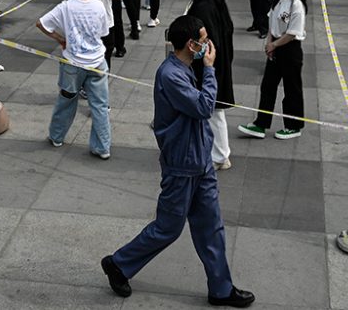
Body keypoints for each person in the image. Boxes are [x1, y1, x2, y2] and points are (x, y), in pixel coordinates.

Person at [102, 16, 254, 308]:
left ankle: (221, 289)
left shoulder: (183, 68)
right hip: (182, 166)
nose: (207, 46)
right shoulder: (171, 74)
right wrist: (209, 70)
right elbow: (203, 107)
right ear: (191, 44)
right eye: (204, 40)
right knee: (168, 228)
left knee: (212, 227)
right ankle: (118, 264)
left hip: (200, 162)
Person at [39, 0, 112, 159]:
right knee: (100, 106)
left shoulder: (65, 7)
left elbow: (41, 23)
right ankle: (102, 147)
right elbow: (104, 32)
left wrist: (60, 39)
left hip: (72, 63)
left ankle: (57, 136)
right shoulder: (99, 6)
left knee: (66, 100)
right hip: (97, 62)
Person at [238, 0, 307, 140]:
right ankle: (261, 123)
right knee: (268, 85)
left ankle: (293, 126)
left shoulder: (296, 5)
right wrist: (270, 43)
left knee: (292, 89)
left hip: (290, 49)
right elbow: (272, 22)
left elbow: (293, 33)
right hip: (275, 45)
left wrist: (274, 45)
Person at [186, 0, 235, 170]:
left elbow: (205, 40)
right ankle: (218, 152)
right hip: (219, 61)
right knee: (214, 110)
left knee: (213, 111)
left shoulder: (202, 7)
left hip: (209, 64)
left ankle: (220, 155)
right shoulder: (216, 1)